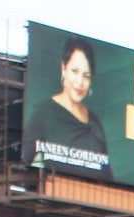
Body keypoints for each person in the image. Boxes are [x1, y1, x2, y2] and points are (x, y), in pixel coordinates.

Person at [23, 36, 112, 180]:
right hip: (56, 197)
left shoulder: (95, 121)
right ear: (63, 69)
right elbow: (23, 165)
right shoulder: (44, 113)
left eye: (86, 76)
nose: (80, 82)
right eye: (75, 71)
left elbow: (108, 177)